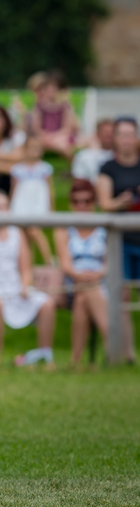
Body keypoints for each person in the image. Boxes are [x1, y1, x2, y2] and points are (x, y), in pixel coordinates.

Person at [0, 190, 56, 367]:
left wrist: (25, 285)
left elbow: (25, 268)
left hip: (13, 286)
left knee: (46, 303)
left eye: (2, 206)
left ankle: (45, 356)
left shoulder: (17, 233)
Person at [53, 180, 118, 365]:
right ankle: (112, 347)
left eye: (87, 201)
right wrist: (81, 276)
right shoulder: (63, 228)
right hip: (72, 282)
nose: (81, 205)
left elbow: (111, 261)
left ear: (94, 202)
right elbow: (65, 264)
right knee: (86, 290)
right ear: (70, 203)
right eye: (76, 201)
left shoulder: (105, 227)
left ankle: (76, 361)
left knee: (84, 297)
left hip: (101, 281)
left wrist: (98, 274)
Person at [96, 116, 140, 362]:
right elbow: (104, 204)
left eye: (130, 134)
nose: (126, 139)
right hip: (120, 242)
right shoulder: (107, 168)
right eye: (121, 134)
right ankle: (128, 353)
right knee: (121, 296)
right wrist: (120, 202)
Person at [10, 134, 54, 265]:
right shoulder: (17, 169)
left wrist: (51, 207)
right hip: (21, 203)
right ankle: (27, 264)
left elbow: (49, 189)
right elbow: (14, 189)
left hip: (37, 203)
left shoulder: (44, 168)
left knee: (34, 231)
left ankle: (49, 260)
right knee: (24, 237)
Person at [26, 70, 78, 159]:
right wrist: (46, 135)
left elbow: (67, 128)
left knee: (64, 146)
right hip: (44, 137)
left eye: (54, 88)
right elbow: (36, 127)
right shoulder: (39, 107)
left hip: (60, 136)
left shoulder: (65, 106)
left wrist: (53, 137)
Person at [72, 119, 114, 184]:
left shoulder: (123, 156)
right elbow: (78, 182)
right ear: (97, 134)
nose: (109, 135)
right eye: (106, 132)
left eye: (112, 132)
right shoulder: (84, 156)